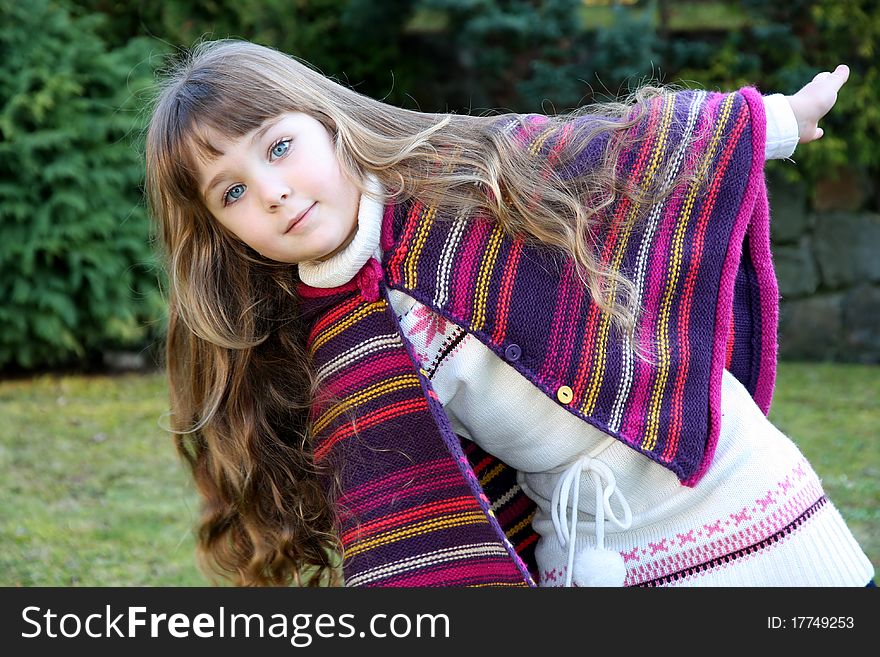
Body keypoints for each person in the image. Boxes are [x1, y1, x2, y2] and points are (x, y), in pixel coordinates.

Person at [146, 39, 874, 587]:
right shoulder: (335, 349)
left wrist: (775, 121)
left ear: (327, 121)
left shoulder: (460, 179)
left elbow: (611, 154)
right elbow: (406, 526)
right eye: (231, 191)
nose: (272, 190)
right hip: (589, 556)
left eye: (278, 146)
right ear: (220, 227)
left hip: (737, 500)